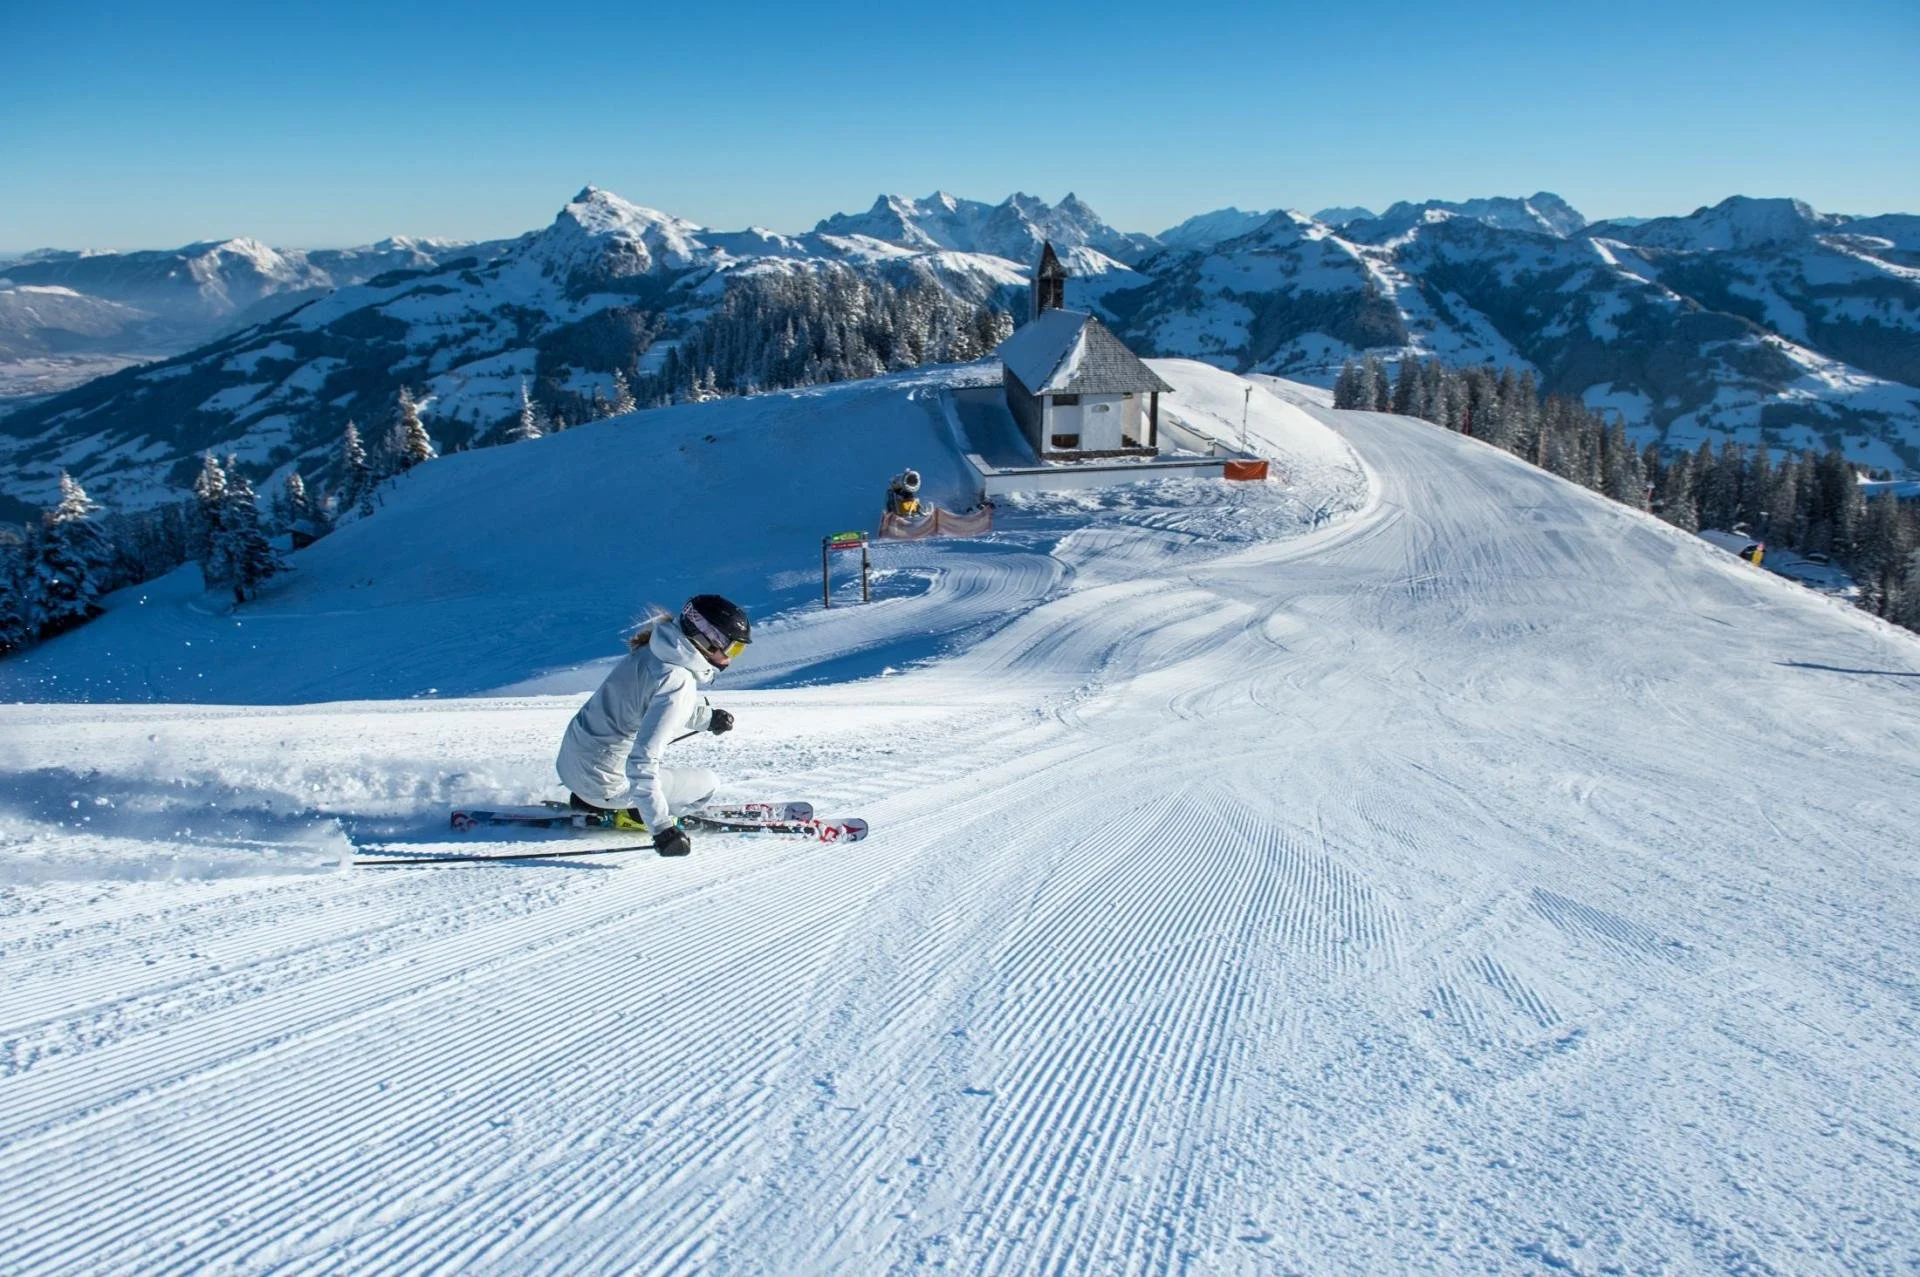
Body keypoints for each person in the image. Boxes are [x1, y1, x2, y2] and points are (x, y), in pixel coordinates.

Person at [555, 593, 750, 856]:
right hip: (603, 785)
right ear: (707, 638)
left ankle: (598, 802)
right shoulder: (677, 680)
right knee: (708, 784)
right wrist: (662, 828)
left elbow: (645, 701)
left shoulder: (653, 651)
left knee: (649, 769)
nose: (730, 659)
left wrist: (706, 718)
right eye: (732, 648)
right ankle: (631, 813)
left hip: (571, 767)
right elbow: (641, 764)